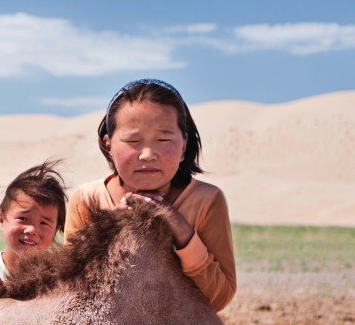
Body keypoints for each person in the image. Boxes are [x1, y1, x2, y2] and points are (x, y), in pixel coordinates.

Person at [64, 78, 236, 311]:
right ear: (108, 145)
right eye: (133, 140)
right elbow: (70, 289)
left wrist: (182, 231)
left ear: (183, 146)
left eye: (163, 139)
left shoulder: (206, 201)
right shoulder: (87, 199)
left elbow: (219, 298)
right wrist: (108, 230)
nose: (147, 155)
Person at [0, 161, 66, 282]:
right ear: (2, 219)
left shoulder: (57, 280)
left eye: (44, 223)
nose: (32, 230)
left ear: (56, 230)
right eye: (23, 219)